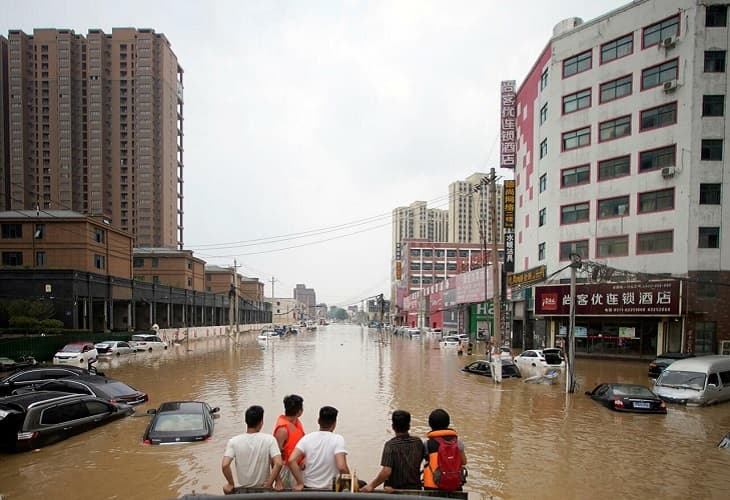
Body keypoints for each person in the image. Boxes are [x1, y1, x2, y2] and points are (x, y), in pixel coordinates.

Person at [221, 405, 283, 494]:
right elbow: (278, 463)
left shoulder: (234, 441)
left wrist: (231, 483)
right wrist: (270, 483)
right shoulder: (269, 439)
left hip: (241, 491)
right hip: (263, 490)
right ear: (261, 422)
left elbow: (225, 465)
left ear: (246, 421)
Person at [360, 410, 425, 492]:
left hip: (394, 491)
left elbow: (386, 471)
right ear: (408, 426)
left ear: (393, 427)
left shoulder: (390, 445)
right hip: (415, 489)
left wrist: (371, 486)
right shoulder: (418, 442)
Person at [288, 405, 350, 490]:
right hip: (330, 489)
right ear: (334, 423)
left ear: (318, 421)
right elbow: (342, 467)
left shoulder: (307, 438)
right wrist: (350, 483)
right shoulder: (338, 439)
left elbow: (291, 460)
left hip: (308, 488)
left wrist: (299, 482)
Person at [422, 408, 467, 492]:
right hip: (455, 486)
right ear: (448, 424)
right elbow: (464, 462)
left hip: (433, 487)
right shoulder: (458, 443)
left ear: (430, 425)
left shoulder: (427, 444)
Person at [273, 394, 305, 489]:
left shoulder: (296, 423)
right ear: (300, 412)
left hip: (298, 467)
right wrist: (278, 481)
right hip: (287, 470)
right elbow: (274, 457)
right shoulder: (282, 430)